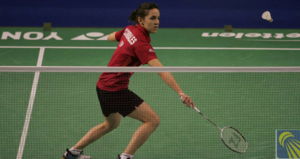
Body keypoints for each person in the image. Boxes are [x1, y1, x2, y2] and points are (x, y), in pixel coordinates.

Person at [62, 2, 194, 159]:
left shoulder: (129, 30)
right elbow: (161, 70)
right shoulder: (142, 44)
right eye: (152, 18)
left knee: (110, 124)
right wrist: (180, 92)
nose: (157, 22)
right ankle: (125, 157)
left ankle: (72, 153)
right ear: (141, 20)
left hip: (102, 86)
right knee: (152, 120)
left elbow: (112, 37)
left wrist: (113, 40)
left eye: (158, 18)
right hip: (115, 90)